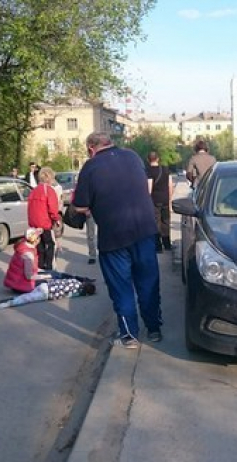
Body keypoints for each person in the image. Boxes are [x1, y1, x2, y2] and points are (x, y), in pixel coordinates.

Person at [72, 131, 163, 348]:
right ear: (111, 143)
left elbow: (81, 206)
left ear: (90, 149)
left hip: (114, 237)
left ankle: (129, 336)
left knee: (121, 287)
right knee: (148, 282)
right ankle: (154, 329)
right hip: (145, 230)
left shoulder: (90, 167)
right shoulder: (132, 156)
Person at [0, 228, 95, 308]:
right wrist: (45, 276)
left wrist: (44, 272)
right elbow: (29, 276)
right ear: (35, 240)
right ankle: (81, 283)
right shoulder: (28, 254)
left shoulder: (24, 245)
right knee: (54, 277)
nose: (40, 239)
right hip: (23, 285)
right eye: (38, 237)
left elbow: (30, 269)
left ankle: (80, 280)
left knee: (53, 273)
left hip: (17, 283)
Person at [27, 166, 61, 271]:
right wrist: (56, 219)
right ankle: (50, 268)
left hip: (34, 224)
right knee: (51, 245)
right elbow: (53, 208)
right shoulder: (49, 190)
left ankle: (40, 267)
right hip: (45, 223)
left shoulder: (34, 190)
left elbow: (29, 207)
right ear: (49, 177)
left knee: (39, 247)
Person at [145, 151, 173, 253]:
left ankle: (158, 246)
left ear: (148, 160)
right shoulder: (165, 170)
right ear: (158, 159)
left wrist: (147, 200)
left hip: (154, 200)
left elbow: (149, 187)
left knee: (156, 222)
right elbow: (170, 185)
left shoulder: (148, 171)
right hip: (165, 199)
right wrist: (169, 199)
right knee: (166, 221)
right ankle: (167, 244)